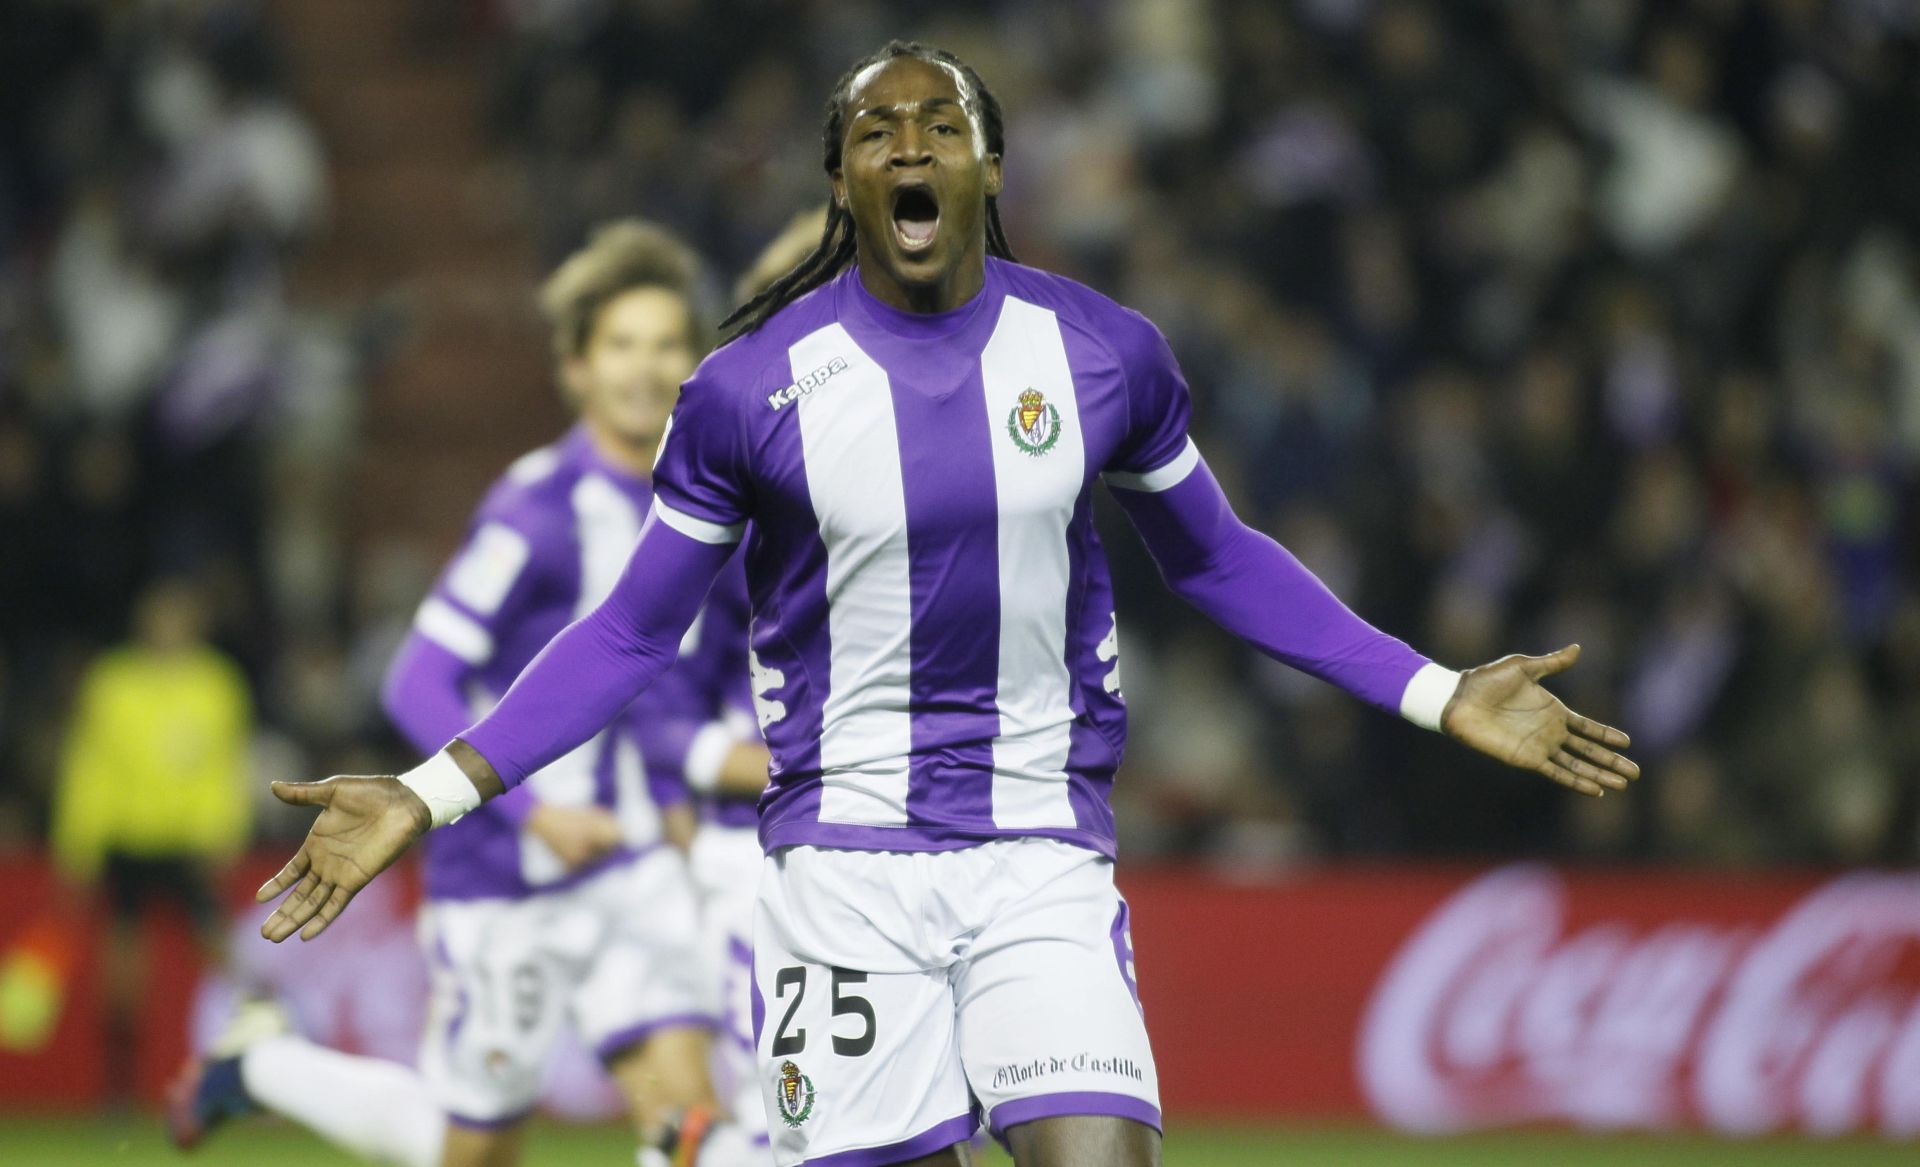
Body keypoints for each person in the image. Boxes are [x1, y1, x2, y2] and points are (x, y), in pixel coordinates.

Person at [253, 43, 1640, 1167]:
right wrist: (432, 791)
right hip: (841, 873)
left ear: (987, 166)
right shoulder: (749, 390)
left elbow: (1215, 554)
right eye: (875, 130)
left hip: (1040, 848)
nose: (907, 143)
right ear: (844, 181)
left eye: (939, 123)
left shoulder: (1102, 353)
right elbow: (630, 627)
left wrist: (1435, 687)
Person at [171, 221, 766, 1167]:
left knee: (684, 1119)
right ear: (574, 367)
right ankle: (266, 1064)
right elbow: (418, 676)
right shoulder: (537, 508)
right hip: (506, 875)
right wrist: (534, 814)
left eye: (666, 345)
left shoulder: (705, 509)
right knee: (473, 1151)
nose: (645, 370)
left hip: (639, 866)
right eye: (620, 346)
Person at [54, 577, 252, 1106]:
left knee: (223, 957)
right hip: (129, 839)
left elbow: (225, 766)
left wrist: (222, 833)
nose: (168, 629)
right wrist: (79, 842)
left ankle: (258, 1062)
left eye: (178, 618)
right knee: (122, 970)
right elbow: (89, 764)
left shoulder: (217, 682)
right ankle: (119, 1088)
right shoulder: (113, 681)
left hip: (189, 842)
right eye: (160, 618)